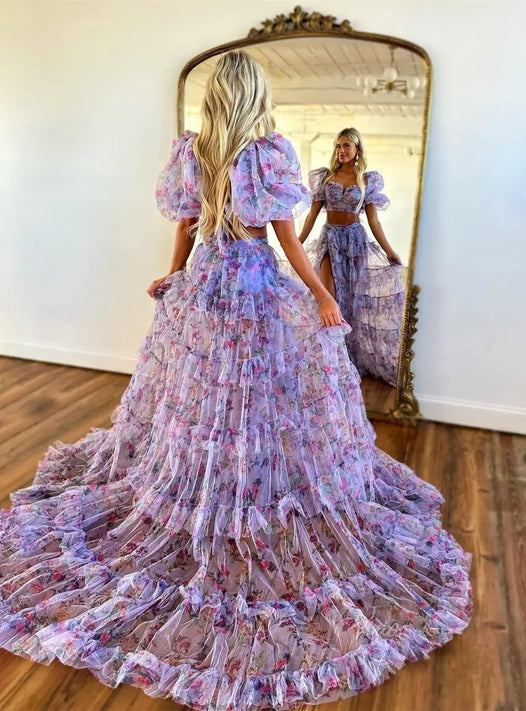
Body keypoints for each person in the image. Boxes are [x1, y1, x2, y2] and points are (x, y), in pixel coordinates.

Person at [0, 51, 472, 710]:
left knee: (206, 399)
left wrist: (175, 274)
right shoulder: (265, 154)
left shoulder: (195, 152)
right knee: (256, 399)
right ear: (254, 96)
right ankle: (238, 491)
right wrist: (319, 295)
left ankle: (222, 485)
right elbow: (282, 237)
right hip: (251, 283)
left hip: (208, 284)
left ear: (217, 97)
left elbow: (188, 228)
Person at [299, 128, 406, 386]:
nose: (341, 150)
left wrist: (390, 250)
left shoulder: (366, 180)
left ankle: (346, 358)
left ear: (357, 149)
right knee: (328, 295)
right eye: (338, 146)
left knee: (352, 300)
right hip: (330, 240)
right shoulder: (326, 178)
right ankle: (327, 357)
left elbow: (374, 222)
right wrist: (296, 243)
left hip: (355, 242)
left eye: (346, 145)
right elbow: (312, 215)